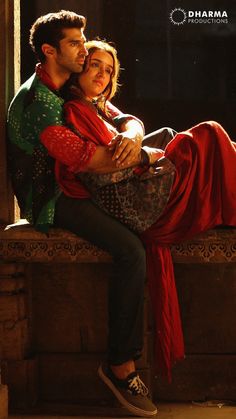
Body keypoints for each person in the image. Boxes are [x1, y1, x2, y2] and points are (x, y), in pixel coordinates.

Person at [6, 10, 177, 418]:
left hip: (86, 181)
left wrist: (135, 136)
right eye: (75, 44)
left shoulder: (66, 82)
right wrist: (145, 157)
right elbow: (87, 160)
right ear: (49, 51)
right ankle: (120, 366)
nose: (85, 51)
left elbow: (121, 117)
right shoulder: (39, 102)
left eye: (84, 42)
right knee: (132, 250)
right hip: (54, 198)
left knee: (171, 137)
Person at [41, 38, 236, 387]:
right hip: (137, 200)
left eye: (109, 70)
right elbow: (109, 170)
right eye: (95, 65)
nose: (102, 74)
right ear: (79, 68)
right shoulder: (75, 111)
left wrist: (137, 138)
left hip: (142, 184)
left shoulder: (100, 105)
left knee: (204, 143)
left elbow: (130, 121)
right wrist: (147, 156)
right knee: (208, 136)